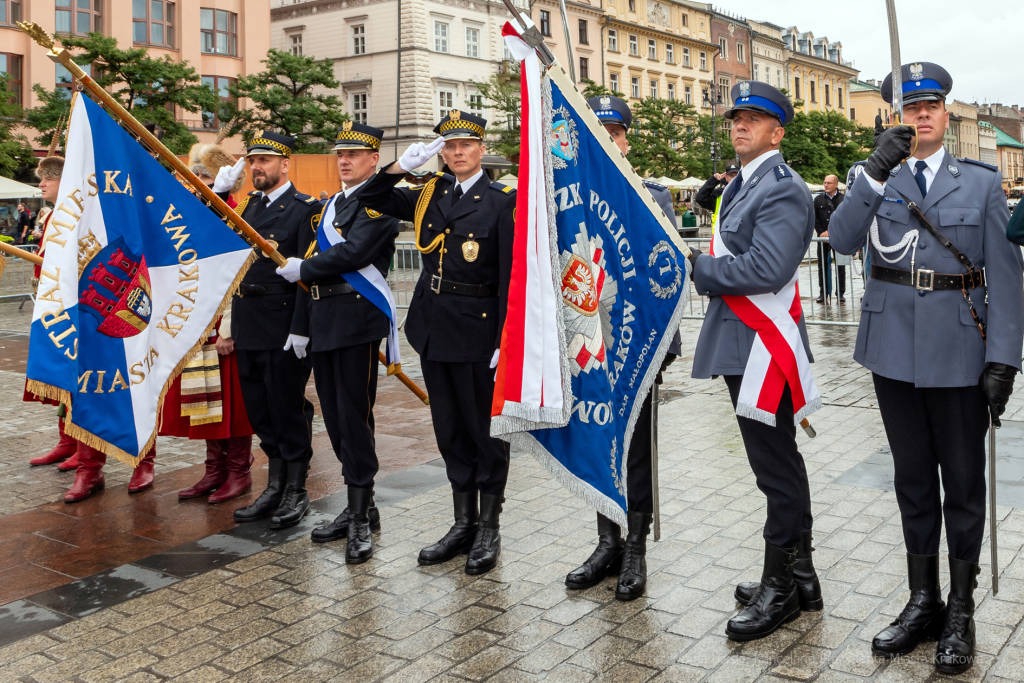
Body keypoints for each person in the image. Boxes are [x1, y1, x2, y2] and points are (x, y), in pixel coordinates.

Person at [829, 63, 1023, 675]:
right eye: (910, 106)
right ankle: (923, 601)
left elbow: (1007, 278)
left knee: (962, 484)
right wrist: (871, 172)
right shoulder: (876, 177)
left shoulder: (983, 184)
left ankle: (961, 609)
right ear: (896, 117)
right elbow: (839, 239)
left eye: (931, 104)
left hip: (962, 349)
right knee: (912, 482)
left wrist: (1005, 359)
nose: (921, 115)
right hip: (891, 349)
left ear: (946, 113)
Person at [688, 81, 822, 641]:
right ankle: (803, 575)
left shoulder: (783, 188)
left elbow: (766, 269)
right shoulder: (743, 184)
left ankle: (781, 588)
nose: (740, 125)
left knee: (775, 469)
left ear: (778, 131)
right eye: (736, 117)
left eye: (754, 118)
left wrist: (701, 269)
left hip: (764, 346)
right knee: (777, 462)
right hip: (744, 341)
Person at [360, 111, 515, 575]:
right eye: (449, 146)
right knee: (449, 430)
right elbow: (369, 196)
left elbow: (510, 275)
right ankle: (461, 523)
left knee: (484, 432)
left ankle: (489, 526)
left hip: (480, 328)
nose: (456, 152)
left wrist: (506, 336)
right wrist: (398, 168)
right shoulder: (431, 191)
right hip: (434, 326)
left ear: (481, 148)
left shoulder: (501, 200)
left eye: (465, 144)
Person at [563, 95, 679, 601]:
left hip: (637, 344)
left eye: (612, 133)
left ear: (625, 140)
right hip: (588, 344)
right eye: (595, 134)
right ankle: (605, 542)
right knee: (597, 441)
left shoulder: (650, 194)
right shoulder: (569, 203)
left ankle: (635, 547)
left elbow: (667, 274)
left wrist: (662, 346)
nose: (606, 142)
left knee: (634, 451)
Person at [276, 123, 399, 563]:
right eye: (339, 154)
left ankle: (361, 515)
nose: (344, 161)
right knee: (335, 418)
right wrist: (301, 324)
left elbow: (353, 255)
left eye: (354, 154)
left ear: (373, 160)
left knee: (354, 417)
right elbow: (311, 266)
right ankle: (357, 506)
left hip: (356, 319)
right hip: (324, 319)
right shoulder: (328, 207)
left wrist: (304, 269)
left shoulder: (377, 207)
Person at [212, 132, 322, 529]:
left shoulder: (305, 210)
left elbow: (308, 276)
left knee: (287, 408)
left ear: (285, 165)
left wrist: (301, 328)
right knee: (260, 410)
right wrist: (217, 194)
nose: (256, 168)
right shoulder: (246, 207)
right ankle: (275, 485)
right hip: (248, 321)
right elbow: (218, 248)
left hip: (283, 324)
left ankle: (296, 489)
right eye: (252, 161)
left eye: (265, 161)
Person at [160, 141, 256, 505]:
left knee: (231, 403)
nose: (196, 180)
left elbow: (236, 275)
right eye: (194, 173)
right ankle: (213, 470)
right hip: (197, 322)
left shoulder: (234, 214)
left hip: (223, 324)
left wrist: (228, 328)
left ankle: (238, 472)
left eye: (203, 174)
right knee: (205, 400)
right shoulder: (196, 213)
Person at [814, 175, 846, 304]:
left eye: (829, 183)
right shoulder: (818, 199)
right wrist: (822, 233)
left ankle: (840, 293)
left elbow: (845, 219)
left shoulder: (844, 199)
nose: (826, 185)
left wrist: (830, 232)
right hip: (822, 239)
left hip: (839, 238)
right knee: (822, 266)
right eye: (824, 182)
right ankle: (823, 292)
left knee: (841, 266)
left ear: (836, 184)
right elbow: (814, 218)